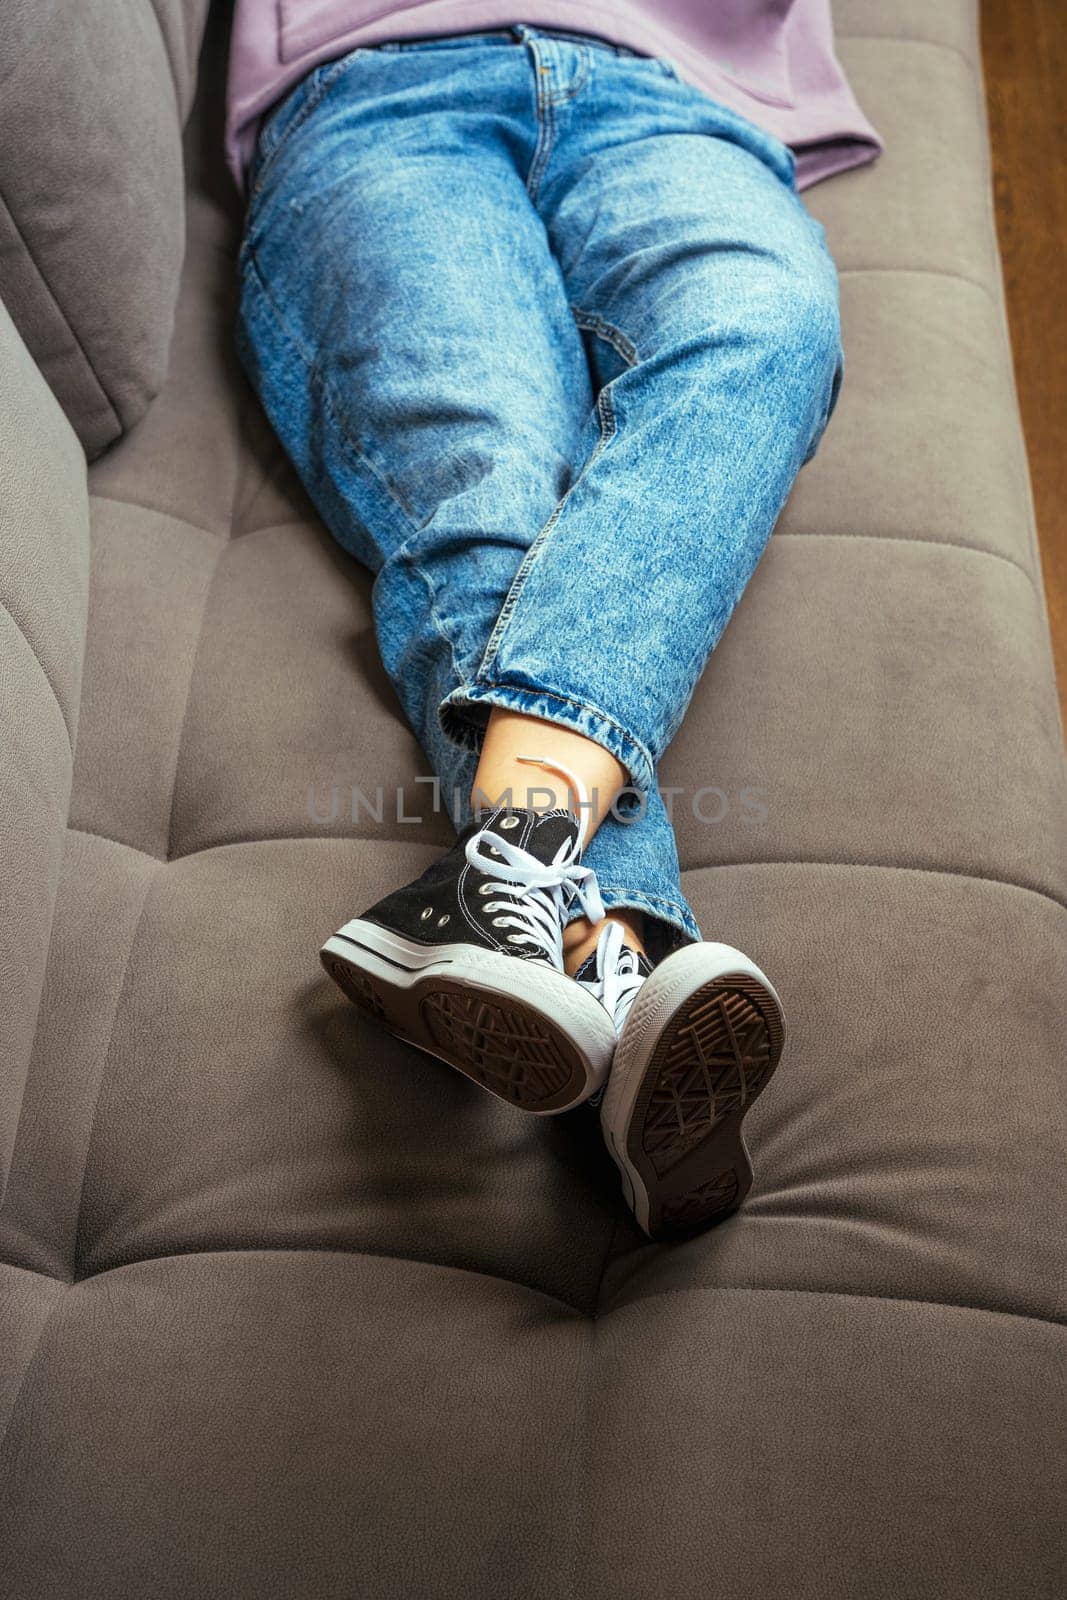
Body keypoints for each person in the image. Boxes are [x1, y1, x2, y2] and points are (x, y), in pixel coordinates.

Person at [226, 4, 882, 1240]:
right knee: (490, 482)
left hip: (674, 89)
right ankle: (617, 965)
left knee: (766, 326)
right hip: (373, 88)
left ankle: (508, 886)